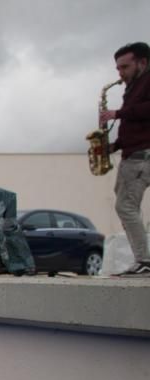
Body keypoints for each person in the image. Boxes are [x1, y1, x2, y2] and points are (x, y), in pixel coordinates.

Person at [102, 41, 150, 276]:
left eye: (125, 67)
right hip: (132, 153)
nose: (121, 73)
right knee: (125, 205)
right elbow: (135, 125)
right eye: (118, 69)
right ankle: (142, 260)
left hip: (142, 156)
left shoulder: (147, 81)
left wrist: (117, 113)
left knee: (125, 206)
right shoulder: (132, 87)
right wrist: (115, 145)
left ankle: (144, 261)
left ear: (143, 62)